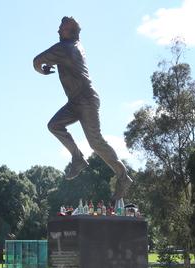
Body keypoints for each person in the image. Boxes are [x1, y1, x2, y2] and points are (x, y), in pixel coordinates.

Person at [33, 16, 133, 200]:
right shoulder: (76, 45)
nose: (57, 32)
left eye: (61, 29)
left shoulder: (65, 48)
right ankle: (78, 158)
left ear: (70, 32)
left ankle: (123, 176)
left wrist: (42, 70)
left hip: (85, 100)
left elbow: (36, 61)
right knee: (54, 125)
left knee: (95, 141)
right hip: (76, 101)